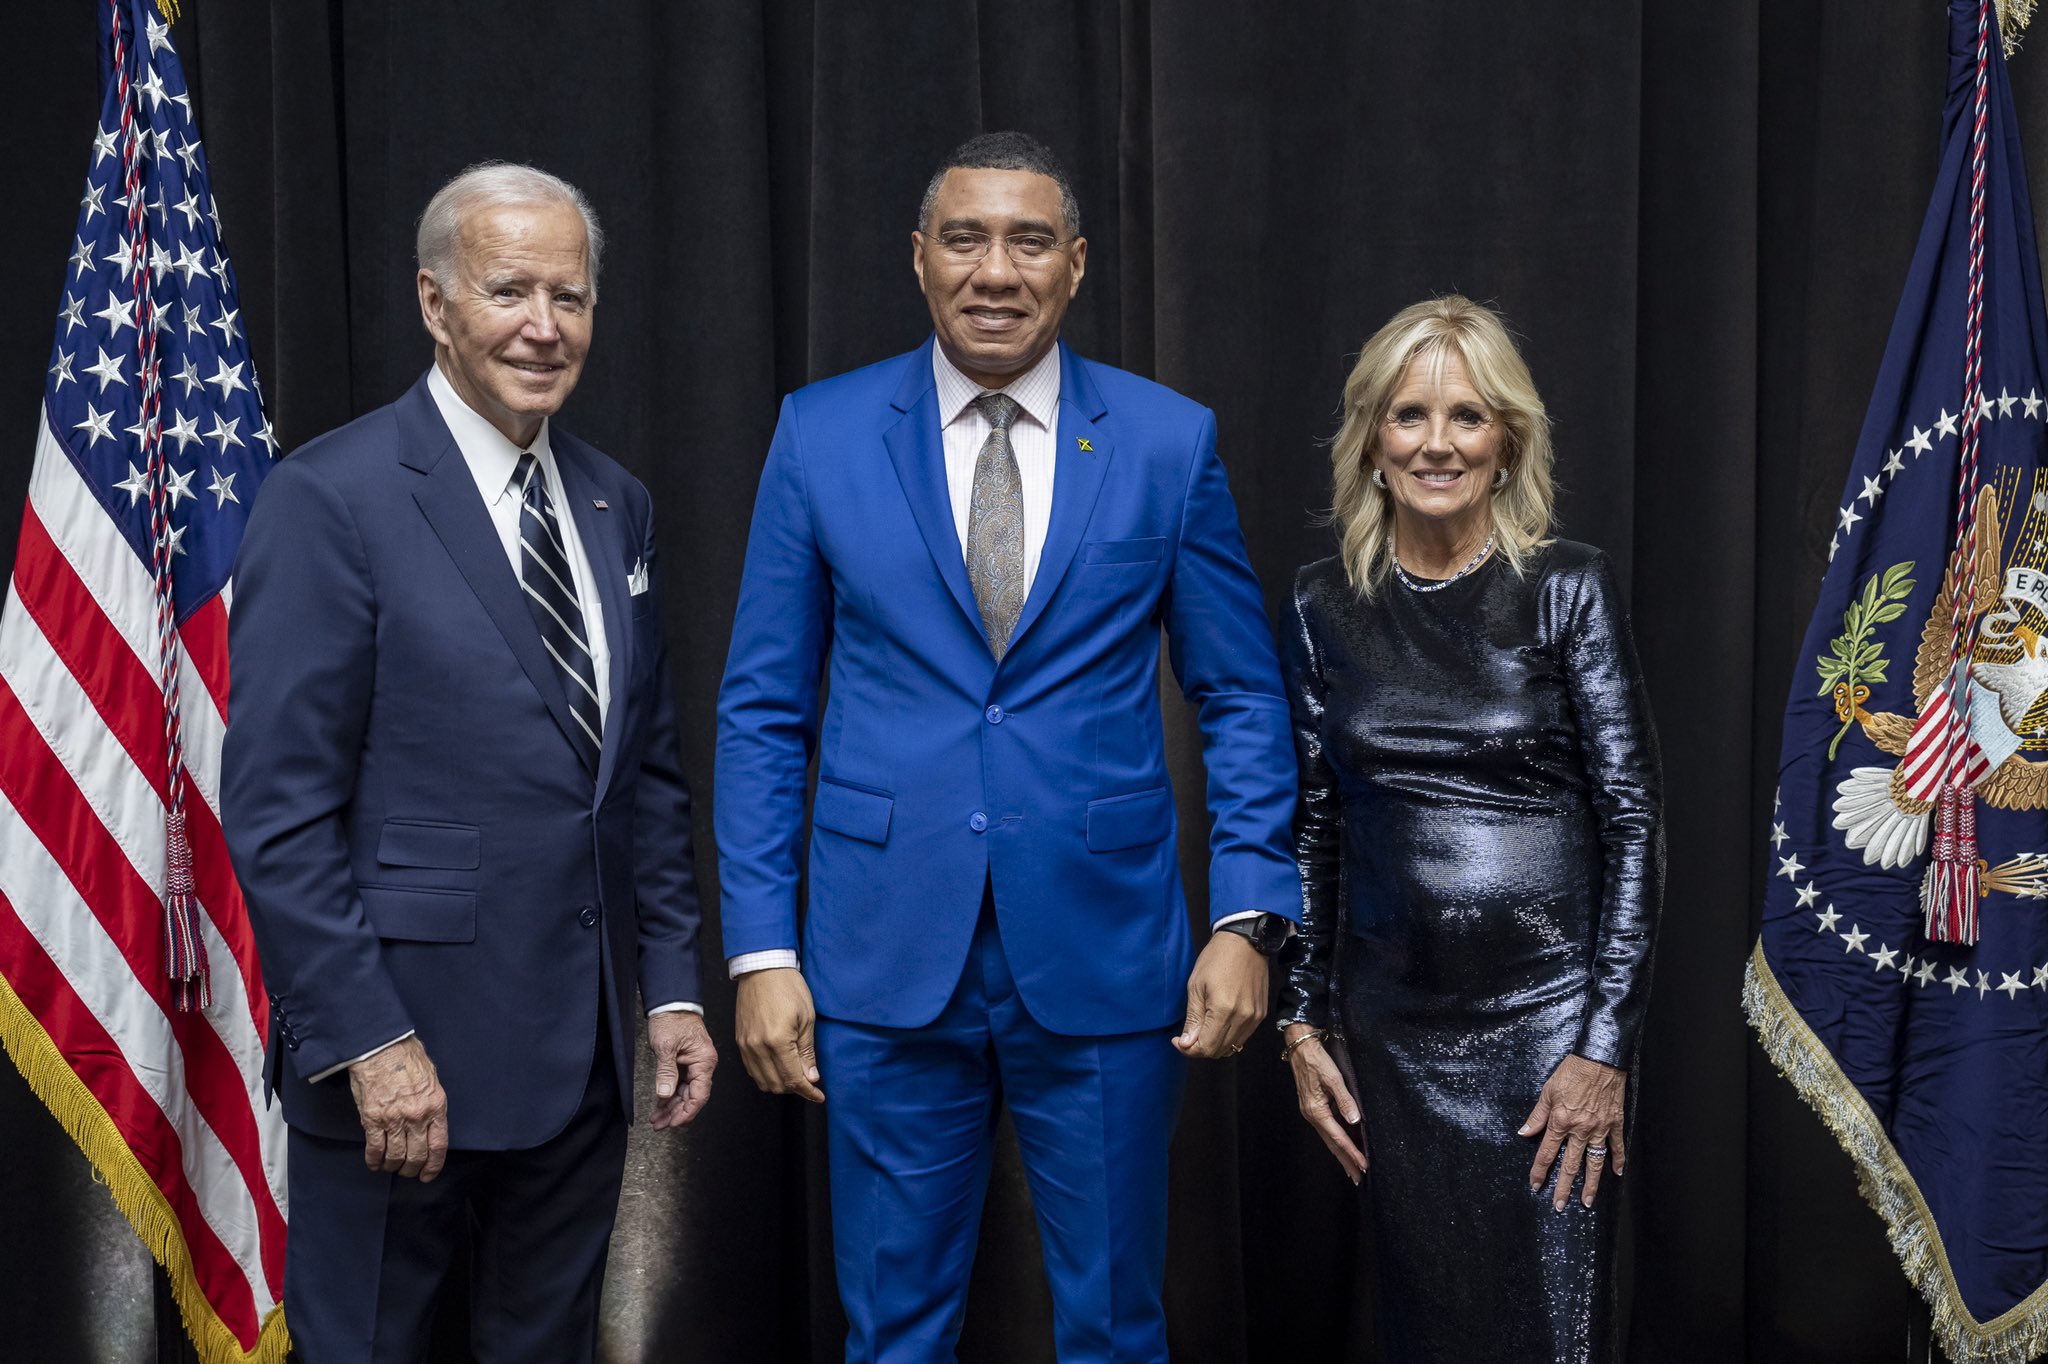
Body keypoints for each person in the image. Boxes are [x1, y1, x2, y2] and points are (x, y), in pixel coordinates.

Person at [716, 130, 1300, 1362]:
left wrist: (1247, 919)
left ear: (1075, 265)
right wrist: (762, 946)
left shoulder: (1163, 440)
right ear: (918, 260)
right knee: (892, 1331)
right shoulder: (817, 435)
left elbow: (1242, 694)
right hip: (878, 961)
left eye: (1028, 240)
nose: (997, 269)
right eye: (966, 238)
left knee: (1112, 1324)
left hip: (1104, 951)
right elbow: (763, 708)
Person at [221, 162, 716, 1362]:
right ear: (435, 302)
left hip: (585, 1059)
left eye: (572, 295)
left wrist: (673, 984)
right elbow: (277, 810)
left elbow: (641, 773)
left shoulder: (616, 503)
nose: (545, 326)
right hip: (405, 1056)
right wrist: (367, 1040)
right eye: (510, 291)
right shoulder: (327, 496)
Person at [1275, 296, 1662, 1362]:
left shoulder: (1564, 587)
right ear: (1370, 440)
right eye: (1407, 415)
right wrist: (1299, 1022)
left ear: (1506, 444)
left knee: (1548, 1326)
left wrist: (1601, 1042)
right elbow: (1308, 824)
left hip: (1547, 1028)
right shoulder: (1320, 604)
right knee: (1420, 1325)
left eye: (1466, 416)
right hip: (1390, 1035)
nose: (1434, 442)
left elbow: (1632, 819)